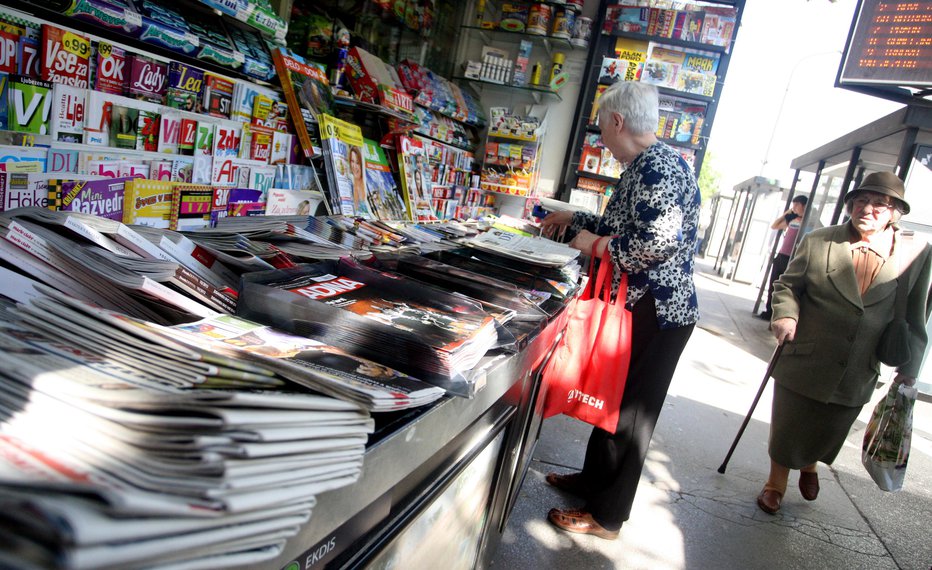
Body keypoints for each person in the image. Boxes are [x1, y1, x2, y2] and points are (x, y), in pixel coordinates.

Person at [539, 80, 700, 540]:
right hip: (642, 305)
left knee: (631, 417)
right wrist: (575, 219)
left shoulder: (659, 167)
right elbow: (623, 225)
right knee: (612, 400)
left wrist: (597, 243)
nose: (600, 138)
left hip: (658, 310)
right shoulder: (643, 166)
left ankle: (608, 516)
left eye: (601, 127)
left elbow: (654, 242)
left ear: (617, 121)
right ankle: (592, 482)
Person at [758, 171, 932, 515]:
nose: (868, 209)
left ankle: (809, 466)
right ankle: (775, 484)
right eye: (862, 201)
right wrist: (785, 315)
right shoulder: (821, 240)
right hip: (805, 355)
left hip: (859, 365)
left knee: (830, 427)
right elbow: (787, 286)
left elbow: (916, 315)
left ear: (895, 211)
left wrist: (909, 370)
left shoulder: (916, 252)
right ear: (851, 204)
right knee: (788, 425)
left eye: (879, 204)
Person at [758, 194, 809, 320]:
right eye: (793, 205)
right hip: (782, 256)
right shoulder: (792, 219)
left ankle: (779, 313)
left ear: (804, 206)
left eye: (797, 205)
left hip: (793, 258)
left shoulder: (808, 222)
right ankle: (769, 310)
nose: (795, 207)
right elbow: (775, 225)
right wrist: (786, 213)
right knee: (773, 284)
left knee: (784, 287)